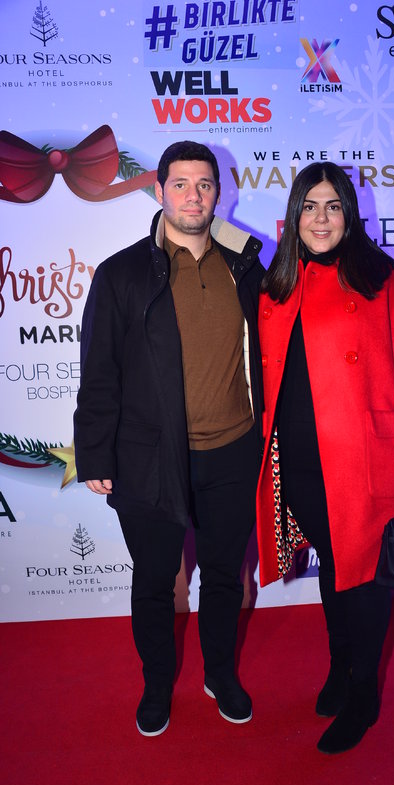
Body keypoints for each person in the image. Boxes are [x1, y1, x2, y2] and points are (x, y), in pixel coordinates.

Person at [73, 141, 266, 737]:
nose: (193, 196)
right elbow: (99, 371)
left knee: (226, 577)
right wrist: (95, 453)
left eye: (204, 184)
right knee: (155, 582)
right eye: (180, 184)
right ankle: (157, 684)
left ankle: (220, 675)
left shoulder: (246, 267)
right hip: (149, 459)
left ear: (219, 193)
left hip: (233, 452)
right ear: (159, 191)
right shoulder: (121, 273)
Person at [256, 162, 394, 754]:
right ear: (294, 216)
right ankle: (340, 666)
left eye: (333, 206)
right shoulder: (278, 283)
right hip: (301, 460)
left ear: (350, 214)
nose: (321, 219)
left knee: (363, 578)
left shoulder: (382, 277)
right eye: (309, 206)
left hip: (365, 457)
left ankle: (364, 693)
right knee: (335, 568)